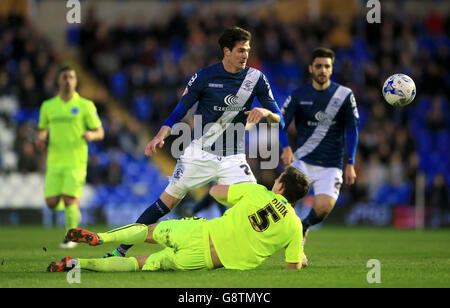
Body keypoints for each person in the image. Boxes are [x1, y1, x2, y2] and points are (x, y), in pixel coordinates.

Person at [105, 26, 284, 258]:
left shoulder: (256, 79)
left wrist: (266, 113)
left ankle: (289, 248)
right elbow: (180, 111)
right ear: (226, 51)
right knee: (165, 203)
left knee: (256, 205)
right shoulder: (204, 77)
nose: (245, 55)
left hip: (233, 157)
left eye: (247, 50)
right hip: (200, 153)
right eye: (240, 50)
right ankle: (120, 249)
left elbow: (279, 119)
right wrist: (161, 135)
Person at [47, 166, 309, 272]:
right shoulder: (295, 227)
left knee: (149, 230)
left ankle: (101, 237)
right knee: (140, 264)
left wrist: (227, 188)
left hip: (198, 232)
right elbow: (293, 267)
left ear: (281, 187)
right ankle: (77, 264)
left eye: (278, 180)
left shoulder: (257, 192)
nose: (274, 181)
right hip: (202, 261)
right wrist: (301, 258)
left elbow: (216, 191)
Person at [279, 47, 359, 266]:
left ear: (332, 69)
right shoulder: (299, 94)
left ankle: (303, 227)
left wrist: (350, 163)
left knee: (323, 207)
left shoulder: (344, 95)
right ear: (310, 68)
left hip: (331, 163)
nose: (322, 70)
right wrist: (286, 148)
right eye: (318, 66)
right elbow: (281, 123)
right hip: (303, 160)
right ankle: (289, 245)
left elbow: (352, 129)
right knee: (282, 205)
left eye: (327, 66)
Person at [36, 65, 104, 248]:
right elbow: (42, 130)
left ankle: (71, 236)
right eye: (64, 76)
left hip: (76, 161)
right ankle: (74, 213)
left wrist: (91, 135)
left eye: (71, 77)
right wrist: (41, 140)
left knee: (69, 198)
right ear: (58, 80)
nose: (67, 80)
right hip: (54, 161)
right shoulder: (48, 106)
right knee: (51, 203)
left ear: (75, 81)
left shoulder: (85, 105)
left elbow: (100, 131)